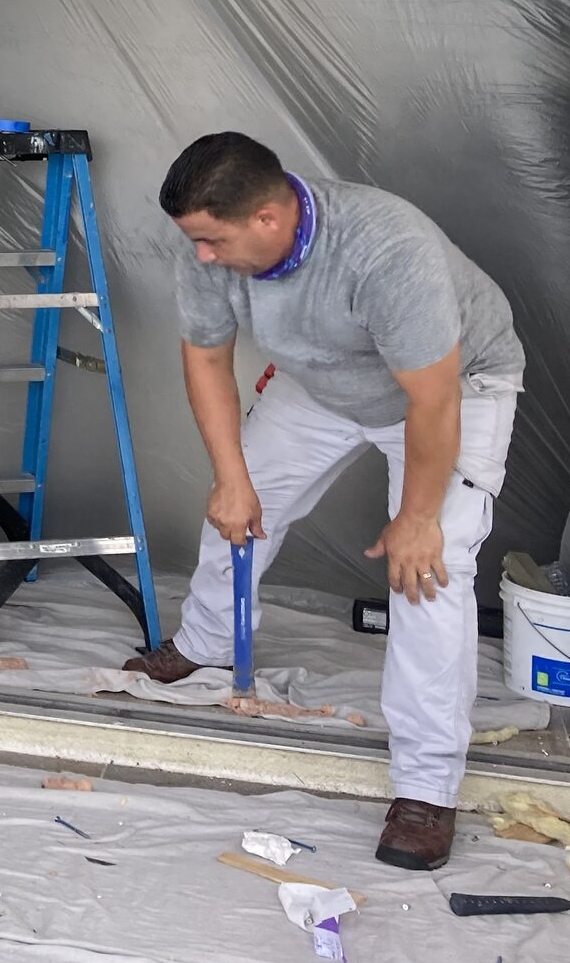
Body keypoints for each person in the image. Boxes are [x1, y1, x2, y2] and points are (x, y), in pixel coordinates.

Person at [124, 133, 525, 871]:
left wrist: (417, 519)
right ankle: (208, 641)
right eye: (195, 241)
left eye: (213, 241)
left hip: (453, 388)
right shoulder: (210, 247)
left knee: (428, 571)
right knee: (236, 506)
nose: (200, 256)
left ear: (268, 219)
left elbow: (433, 400)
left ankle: (427, 788)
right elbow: (205, 356)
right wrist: (231, 476)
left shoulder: (384, 249)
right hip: (324, 382)